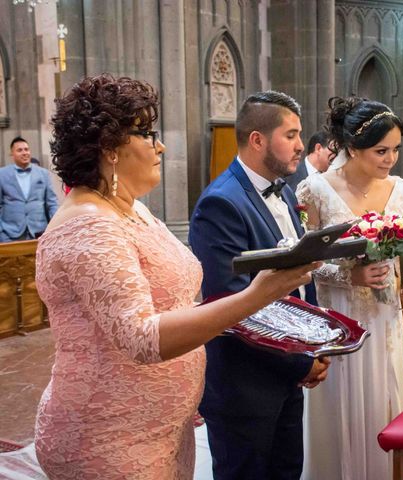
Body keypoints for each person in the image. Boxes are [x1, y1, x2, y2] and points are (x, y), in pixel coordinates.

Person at [34, 74, 317, 479]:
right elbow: (142, 339)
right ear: (109, 146)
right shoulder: (88, 225)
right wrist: (257, 295)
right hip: (109, 432)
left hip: (161, 426)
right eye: (147, 133)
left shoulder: (133, 210)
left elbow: (180, 301)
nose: (160, 145)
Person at [189, 91, 330, 480]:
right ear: (257, 140)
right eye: (291, 134)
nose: (302, 145)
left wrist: (316, 343)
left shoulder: (282, 191)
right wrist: (301, 360)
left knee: (287, 471)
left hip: (285, 373)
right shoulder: (221, 204)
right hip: (245, 385)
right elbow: (231, 306)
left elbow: (301, 279)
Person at [298, 96, 403, 480]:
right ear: (352, 148)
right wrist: (348, 276)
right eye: (380, 150)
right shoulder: (314, 191)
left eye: (396, 150)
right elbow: (304, 262)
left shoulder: (401, 190)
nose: (390, 159)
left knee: (381, 403)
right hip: (338, 317)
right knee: (341, 406)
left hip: (385, 317)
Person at [0, 137, 58, 241]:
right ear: (12, 154)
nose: (24, 153)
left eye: (26, 149)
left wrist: (56, 228)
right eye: (19, 150)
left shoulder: (43, 174)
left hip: (40, 233)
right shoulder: (2, 174)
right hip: (9, 235)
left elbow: (51, 203)